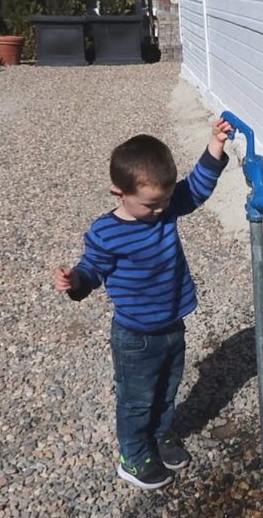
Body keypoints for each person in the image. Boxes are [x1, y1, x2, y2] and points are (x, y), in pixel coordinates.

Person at [55, 118, 233, 489]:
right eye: (151, 204)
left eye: (166, 200)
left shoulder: (166, 208)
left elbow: (197, 189)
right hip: (135, 335)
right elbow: (92, 269)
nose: (161, 210)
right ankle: (133, 457)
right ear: (118, 193)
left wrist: (215, 145)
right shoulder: (107, 232)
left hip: (172, 324)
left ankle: (161, 434)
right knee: (137, 400)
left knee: (168, 389)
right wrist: (75, 280)